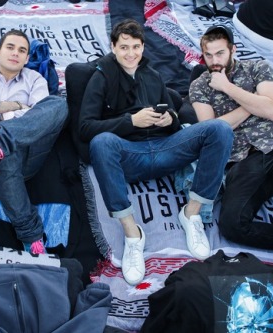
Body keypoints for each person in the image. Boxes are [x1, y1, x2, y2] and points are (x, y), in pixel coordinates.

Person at [79, 19, 233, 285]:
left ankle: (191, 214)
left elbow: (170, 111)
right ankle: (132, 235)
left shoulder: (153, 75)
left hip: (165, 147)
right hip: (131, 154)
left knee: (219, 129)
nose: (130, 54)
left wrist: (169, 119)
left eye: (135, 47)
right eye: (124, 47)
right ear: (113, 47)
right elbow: (85, 127)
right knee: (102, 142)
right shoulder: (101, 76)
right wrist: (130, 122)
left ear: (143, 47)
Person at [0, 30, 68, 255]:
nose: (15, 53)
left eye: (22, 50)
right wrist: (16, 106)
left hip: (24, 159)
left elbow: (39, 119)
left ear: (27, 58)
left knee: (58, 105)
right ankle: (32, 236)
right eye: (10, 47)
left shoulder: (35, 79)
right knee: (4, 154)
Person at [190, 25, 273, 253]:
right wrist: (253, 103)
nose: (214, 60)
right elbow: (213, 130)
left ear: (233, 50)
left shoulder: (258, 68)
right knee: (232, 224)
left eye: (220, 53)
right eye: (208, 55)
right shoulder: (199, 86)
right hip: (242, 161)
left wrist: (228, 88)